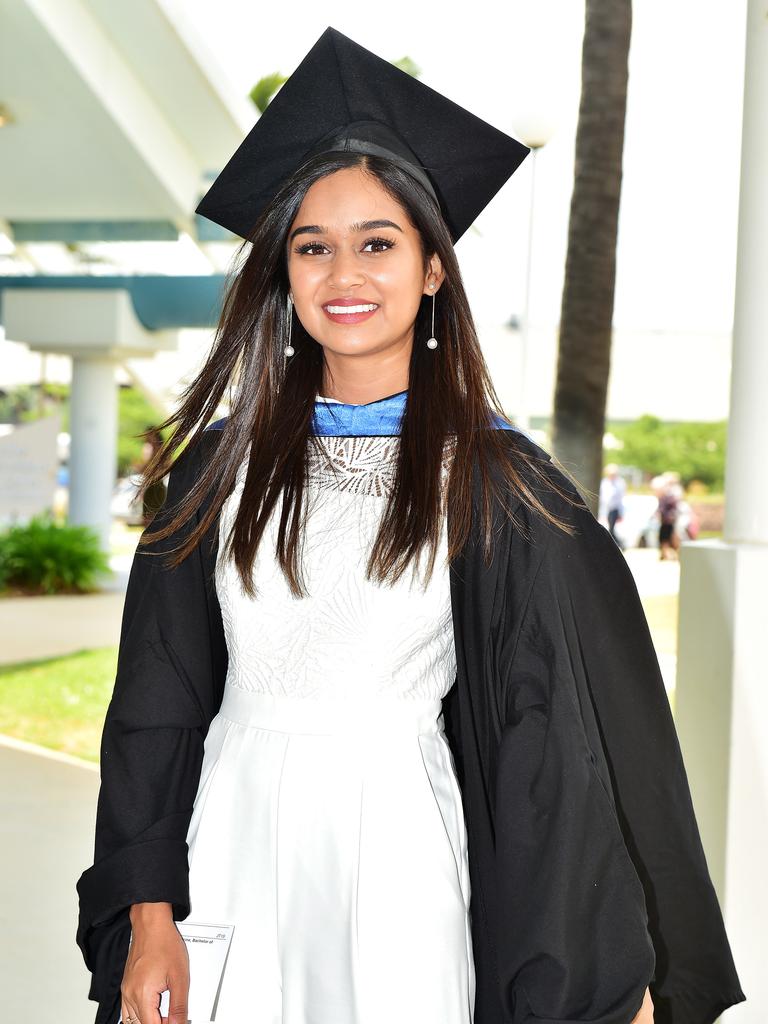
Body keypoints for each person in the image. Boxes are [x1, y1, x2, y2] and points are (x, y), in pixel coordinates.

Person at [75, 27, 745, 1024]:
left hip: (398, 859)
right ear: (285, 274)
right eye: (313, 246)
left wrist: (610, 969)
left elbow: (566, 737)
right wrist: (149, 911)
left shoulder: (495, 481)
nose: (344, 273)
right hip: (231, 838)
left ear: (432, 268)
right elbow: (155, 706)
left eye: (377, 242)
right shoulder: (223, 468)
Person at [599, 461, 626, 547]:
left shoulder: (620, 483)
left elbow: (620, 499)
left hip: (614, 509)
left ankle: (617, 544)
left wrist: (621, 513)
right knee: (608, 528)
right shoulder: (604, 482)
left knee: (611, 529)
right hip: (605, 509)